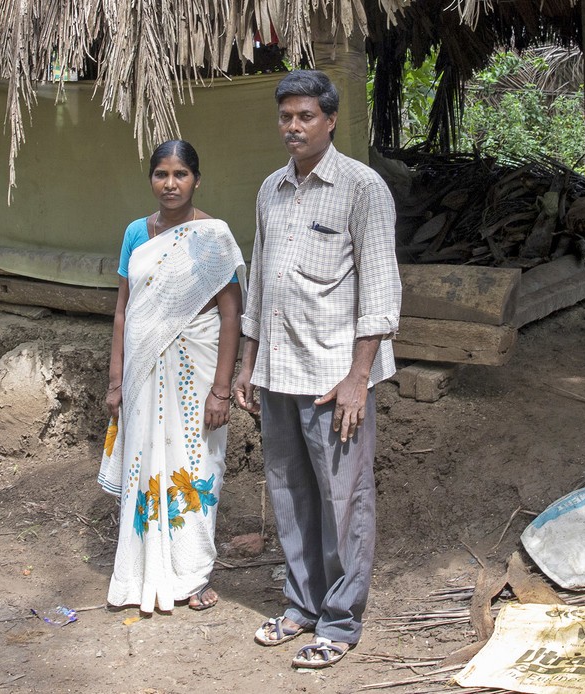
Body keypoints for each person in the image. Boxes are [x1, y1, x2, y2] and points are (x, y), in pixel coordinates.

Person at [234, 70, 401, 668]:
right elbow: (258, 283)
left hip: (334, 379)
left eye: (306, 117)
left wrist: (359, 378)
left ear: (330, 121)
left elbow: (380, 293)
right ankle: (301, 605)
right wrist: (246, 363)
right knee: (288, 492)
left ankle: (340, 620)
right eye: (286, 117)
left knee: (344, 500)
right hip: (278, 372)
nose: (294, 128)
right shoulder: (270, 190)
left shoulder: (362, 188)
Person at [98, 139, 245, 613]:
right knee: (145, 468)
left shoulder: (214, 236)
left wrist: (222, 389)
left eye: (180, 174)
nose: (170, 183)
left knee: (199, 467)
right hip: (143, 372)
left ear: (196, 180)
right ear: (151, 180)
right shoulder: (136, 235)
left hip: (198, 373)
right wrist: (116, 379)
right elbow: (123, 310)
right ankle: (142, 571)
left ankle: (193, 573)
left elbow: (231, 314)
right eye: (161, 174)